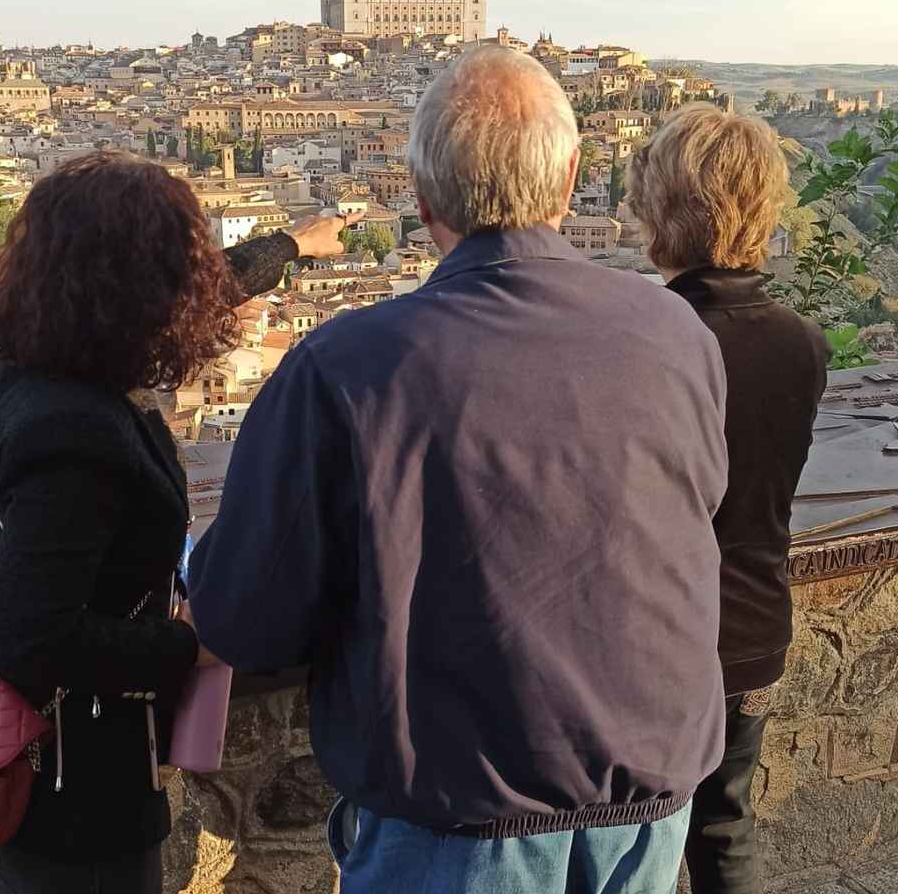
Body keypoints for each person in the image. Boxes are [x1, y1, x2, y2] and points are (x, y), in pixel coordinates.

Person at [187, 45, 729, 891]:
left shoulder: (347, 368)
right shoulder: (678, 338)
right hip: (654, 794)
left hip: (461, 818)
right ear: (572, 173)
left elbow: (246, 620)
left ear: (420, 192)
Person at [0, 151, 353, 894]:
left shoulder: (19, 360)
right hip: (71, 801)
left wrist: (291, 245)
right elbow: (33, 636)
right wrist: (184, 646)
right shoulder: (75, 433)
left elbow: (175, 296)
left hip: (0, 763)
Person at [628, 104, 829, 894]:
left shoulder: (645, 338)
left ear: (661, 206)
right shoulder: (800, 342)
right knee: (725, 831)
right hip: (753, 629)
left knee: (631, 843)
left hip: (658, 640)